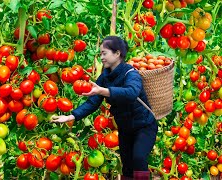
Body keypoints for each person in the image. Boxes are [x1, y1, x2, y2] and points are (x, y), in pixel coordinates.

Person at [51, 36, 158, 180]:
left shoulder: (131, 73)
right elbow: (92, 102)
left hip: (144, 125)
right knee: (126, 166)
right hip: (125, 128)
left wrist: (104, 91)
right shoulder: (104, 78)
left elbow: (131, 93)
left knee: (138, 158)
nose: (101, 57)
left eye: (104, 53)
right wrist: (71, 116)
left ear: (117, 53)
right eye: (100, 54)